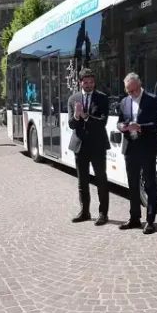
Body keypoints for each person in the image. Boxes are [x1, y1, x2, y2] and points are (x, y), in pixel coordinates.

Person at [116, 73, 157, 234]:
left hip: (147, 147)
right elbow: (119, 121)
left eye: (135, 90)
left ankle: (150, 221)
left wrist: (141, 127)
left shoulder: (153, 100)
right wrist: (121, 127)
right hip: (130, 147)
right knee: (132, 184)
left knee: (149, 184)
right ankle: (134, 218)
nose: (133, 93)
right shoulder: (124, 101)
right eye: (129, 91)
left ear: (140, 85)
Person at [67, 68, 110, 226]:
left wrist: (85, 116)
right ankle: (84, 212)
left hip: (97, 145)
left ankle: (103, 213)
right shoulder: (73, 99)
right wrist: (76, 115)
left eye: (91, 82)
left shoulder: (102, 98)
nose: (89, 85)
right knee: (82, 181)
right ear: (80, 83)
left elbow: (102, 121)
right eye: (86, 82)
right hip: (80, 146)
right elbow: (71, 124)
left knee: (101, 180)